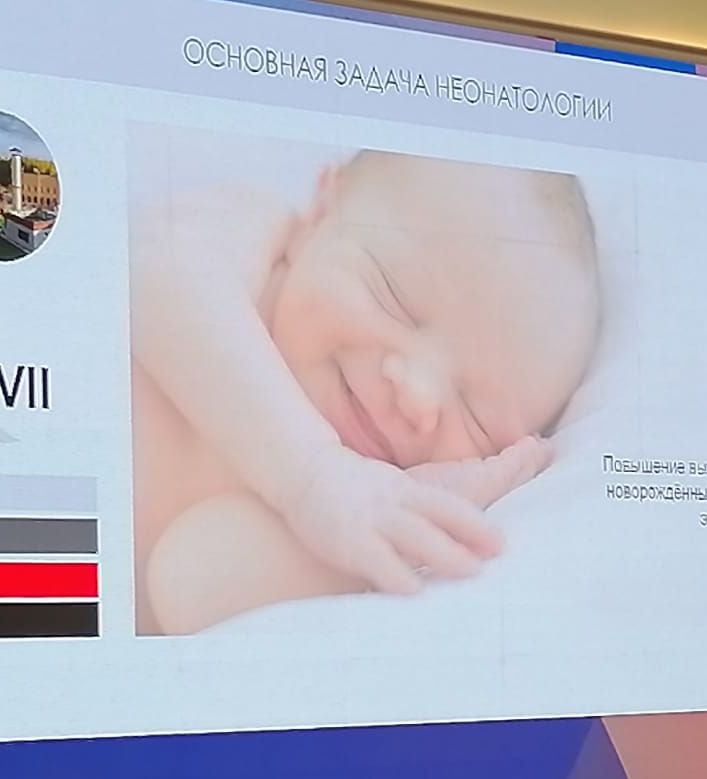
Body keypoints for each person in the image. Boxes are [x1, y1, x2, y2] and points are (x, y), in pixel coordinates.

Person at [129, 148, 603, 634]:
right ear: (321, 212)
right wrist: (313, 473)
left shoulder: (342, 512)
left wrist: (410, 522)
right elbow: (153, 273)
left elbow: (189, 584)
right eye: (392, 298)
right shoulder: (252, 229)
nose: (417, 394)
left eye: (475, 417)